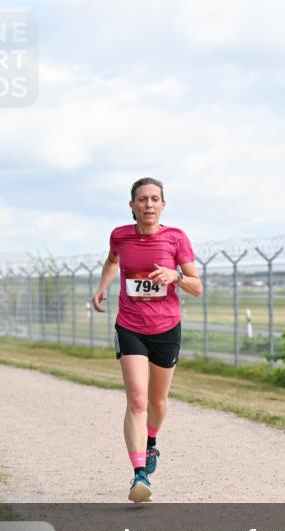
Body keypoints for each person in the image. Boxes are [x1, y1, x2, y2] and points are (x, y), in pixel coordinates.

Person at [92, 177, 201, 502]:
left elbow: (197, 286)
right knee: (137, 401)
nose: (148, 205)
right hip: (130, 325)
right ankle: (139, 476)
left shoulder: (176, 238)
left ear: (163, 205)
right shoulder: (120, 235)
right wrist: (103, 286)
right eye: (142, 199)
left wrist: (176, 276)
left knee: (157, 402)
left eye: (154, 199)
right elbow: (112, 261)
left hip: (167, 328)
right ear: (132, 206)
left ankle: (151, 442)